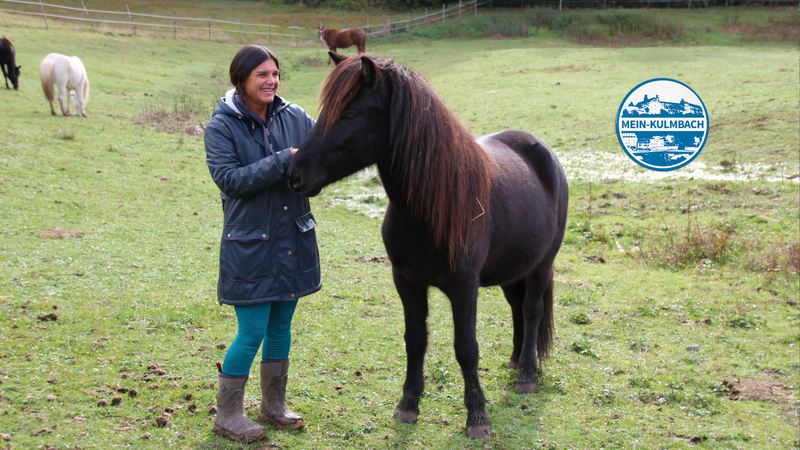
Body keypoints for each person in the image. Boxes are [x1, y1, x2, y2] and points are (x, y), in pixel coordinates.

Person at [204, 44, 321, 443]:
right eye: (262, 75)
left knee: (281, 327)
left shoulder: (295, 116)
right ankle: (228, 415)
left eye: (275, 73)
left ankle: (273, 405)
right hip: (250, 242)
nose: (271, 81)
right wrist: (283, 160)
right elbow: (230, 180)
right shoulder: (222, 125)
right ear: (242, 80)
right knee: (251, 330)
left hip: (292, 238)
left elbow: (325, 146)